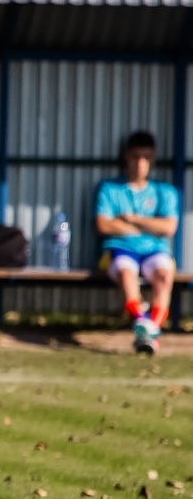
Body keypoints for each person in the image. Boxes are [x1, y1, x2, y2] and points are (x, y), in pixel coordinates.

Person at [95, 130, 179, 355]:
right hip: (120, 249)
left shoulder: (165, 191)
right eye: (136, 156)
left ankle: (149, 330)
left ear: (153, 158)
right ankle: (143, 324)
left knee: (164, 276)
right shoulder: (109, 188)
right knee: (126, 274)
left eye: (146, 157)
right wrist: (149, 226)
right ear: (126, 156)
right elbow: (103, 225)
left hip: (155, 250)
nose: (140, 163)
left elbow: (169, 227)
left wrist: (132, 220)